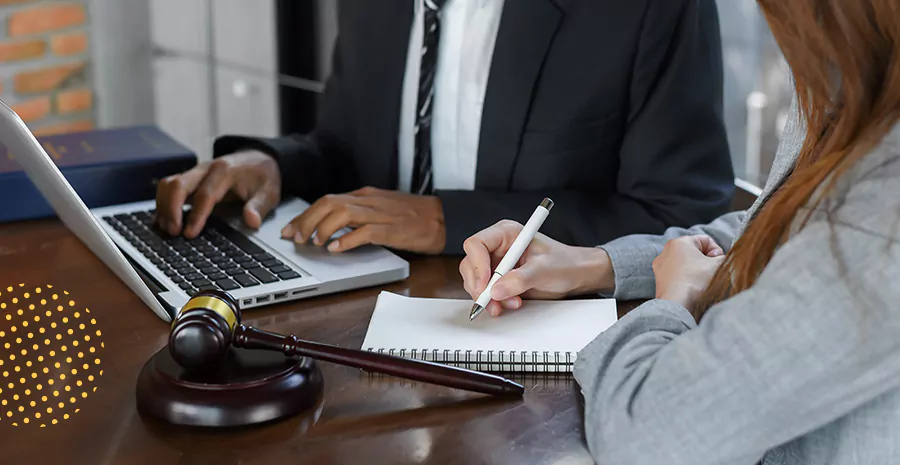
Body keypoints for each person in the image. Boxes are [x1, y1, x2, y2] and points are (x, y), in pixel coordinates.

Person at [459, 1, 900, 463]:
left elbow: (643, 437)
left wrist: (672, 301)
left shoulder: (883, 207)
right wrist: (594, 265)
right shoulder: (856, 80)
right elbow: (782, 226)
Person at [154, 0, 734, 255]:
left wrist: (442, 222)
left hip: (541, 353)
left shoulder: (651, 7)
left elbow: (679, 217)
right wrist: (274, 164)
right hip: (367, 321)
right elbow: (348, 151)